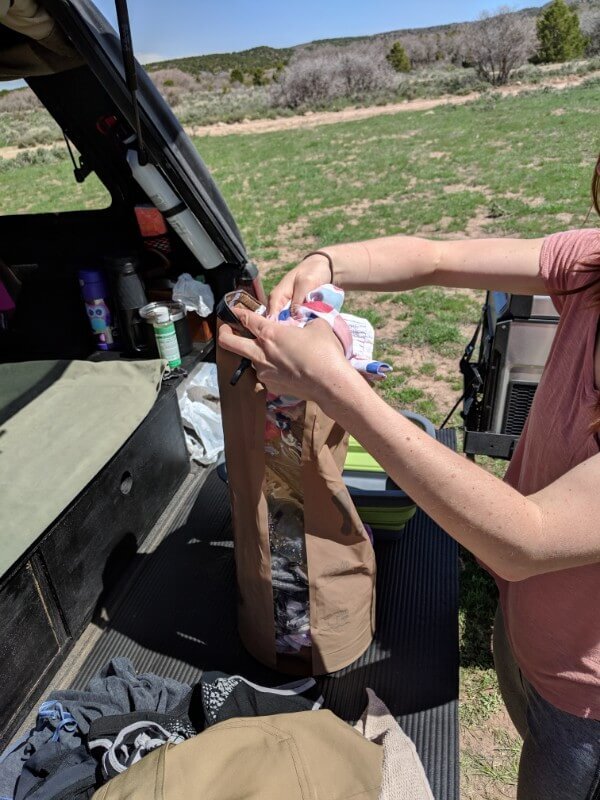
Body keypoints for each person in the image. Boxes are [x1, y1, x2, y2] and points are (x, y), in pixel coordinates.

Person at [218, 164, 600, 799]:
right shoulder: (590, 266)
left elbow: (527, 539)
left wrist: (335, 389)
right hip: (530, 625)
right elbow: (436, 259)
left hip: (585, 700)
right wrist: (327, 261)